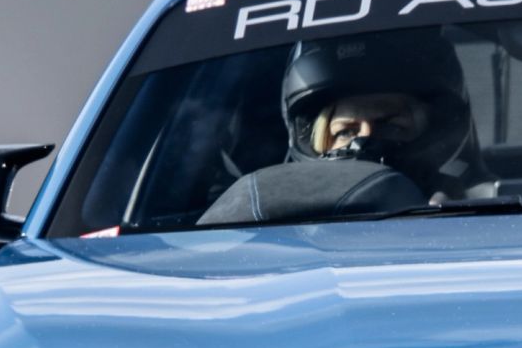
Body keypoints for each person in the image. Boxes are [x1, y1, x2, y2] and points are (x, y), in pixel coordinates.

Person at [198, 29, 475, 224]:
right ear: (315, 140)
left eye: (390, 124)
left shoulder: (484, 223)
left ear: (434, 130)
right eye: (346, 131)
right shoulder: (263, 230)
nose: (364, 140)